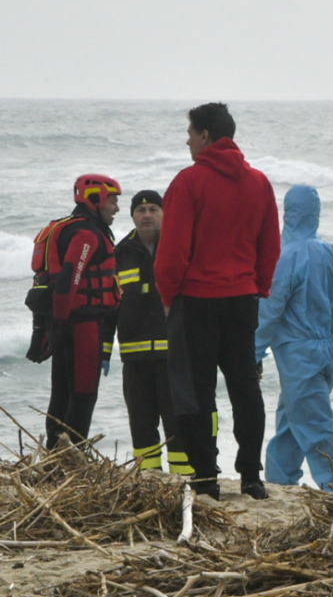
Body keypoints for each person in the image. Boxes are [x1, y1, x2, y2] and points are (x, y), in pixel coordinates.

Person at [155, 102, 281, 500]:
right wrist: (258, 286)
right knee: (245, 386)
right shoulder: (259, 182)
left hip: (196, 299)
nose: (187, 140)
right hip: (242, 298)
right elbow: (270, 246)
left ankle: (206, 476)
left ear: (206, 136)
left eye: (190, 133)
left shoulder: (189, 181)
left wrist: (167, 295)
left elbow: (172, 251)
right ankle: (251, 476)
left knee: (196, 390)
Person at [256, 185, 333, 492]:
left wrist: (253, 351)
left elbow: (270, 309)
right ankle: (279, 482)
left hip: (298, 351)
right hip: (329, 348)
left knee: (316, 426)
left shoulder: (285, 255)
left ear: (287, 212)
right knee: (292, 420)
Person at [27, 174, 122, 449]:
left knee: (61, 393)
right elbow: (70, 279)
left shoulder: (64, 227)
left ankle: (54, 457)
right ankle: (72, 458)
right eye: (113, 201)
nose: (116, 208)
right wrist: (57, 324)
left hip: (62, 323)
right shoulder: (85, 234)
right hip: (81, 326)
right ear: (96, 199)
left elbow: (45, 282)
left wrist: (46, 327)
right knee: (83, 394)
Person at [110, 190, 191, 474]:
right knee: (142, 423)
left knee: (178, 421)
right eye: (140, 209)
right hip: (135, 358)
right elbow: (110, 308)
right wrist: (104, 351)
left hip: (176, 355)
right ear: (132, 216)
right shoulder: (118, 254)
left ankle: (185, 480)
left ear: (164, 213)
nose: (146, 214)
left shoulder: (180, 248)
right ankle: (149, 480)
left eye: (153, 208)